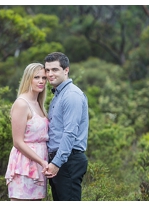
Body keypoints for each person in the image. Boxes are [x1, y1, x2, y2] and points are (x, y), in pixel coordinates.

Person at [43, 52, 90, 201]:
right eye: (47, 70)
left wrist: (57, 163)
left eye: (55, 69)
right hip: (61, 160)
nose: (50, 74)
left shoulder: (71, 95)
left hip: (67, 161)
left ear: (66, 70)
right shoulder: (59, 95)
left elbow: (70, 133)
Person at [5, 63, 52, 201]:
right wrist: (42, 162)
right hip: (24, 165)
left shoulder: (38, 103)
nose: (41, 81)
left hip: (39, 167)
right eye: (36, 77)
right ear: (28, 79)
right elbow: (18, 142)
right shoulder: (21, 104)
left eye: (44, 77)